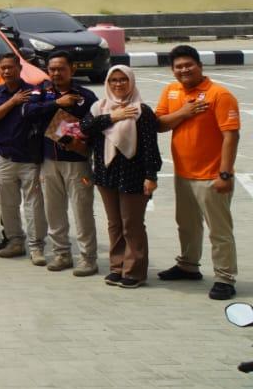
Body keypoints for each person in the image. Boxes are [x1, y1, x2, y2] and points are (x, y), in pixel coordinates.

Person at [154, 44, 241, 300]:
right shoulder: (170, 91)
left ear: (200, 66)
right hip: (183, 174)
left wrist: (224, 174)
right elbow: (158, 124)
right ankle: (188, 266)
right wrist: (183, 112)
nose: (183, 70)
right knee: (187, 225)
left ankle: (225, 278)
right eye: (178, 67)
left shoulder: (219, 94)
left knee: (219, 231)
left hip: (212, 176)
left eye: (188, 65)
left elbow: (231, 136)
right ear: (172, 71)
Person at [80, 66, 161, 289]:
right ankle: (117, 266)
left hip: (133, 175)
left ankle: (134, 271)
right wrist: (112, 117)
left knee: (132, 224)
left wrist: (151, 176)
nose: (118, 84)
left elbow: (150, 147)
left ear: (131, 82)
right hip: (106, 174)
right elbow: (84, 127)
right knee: (114, 224)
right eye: (114, 80)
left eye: (123, 80)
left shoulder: (141, 111)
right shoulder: (99, 107)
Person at [26, 51, 98, 277]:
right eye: (52, 69)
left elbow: (95, 126)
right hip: (49, 161)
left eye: (61, 69)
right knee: (54, 210)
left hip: (76, 162)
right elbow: (28, 112)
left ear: (72, 70)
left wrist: (82, 142)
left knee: (82, 211)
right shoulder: (41, 92)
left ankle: (88, 258)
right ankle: (62, 254)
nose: (56, 73)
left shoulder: (86, 96)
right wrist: (57, 103)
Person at [0, 52, 46, 264]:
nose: (7, 71)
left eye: (11, 67)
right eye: (3, 68)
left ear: (19, 68)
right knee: (7, 204)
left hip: (29, 158)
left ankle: (36, 247)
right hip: (5, 157)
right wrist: (13, 102)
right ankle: (15, 241)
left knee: (33, 205)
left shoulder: (34, 91)